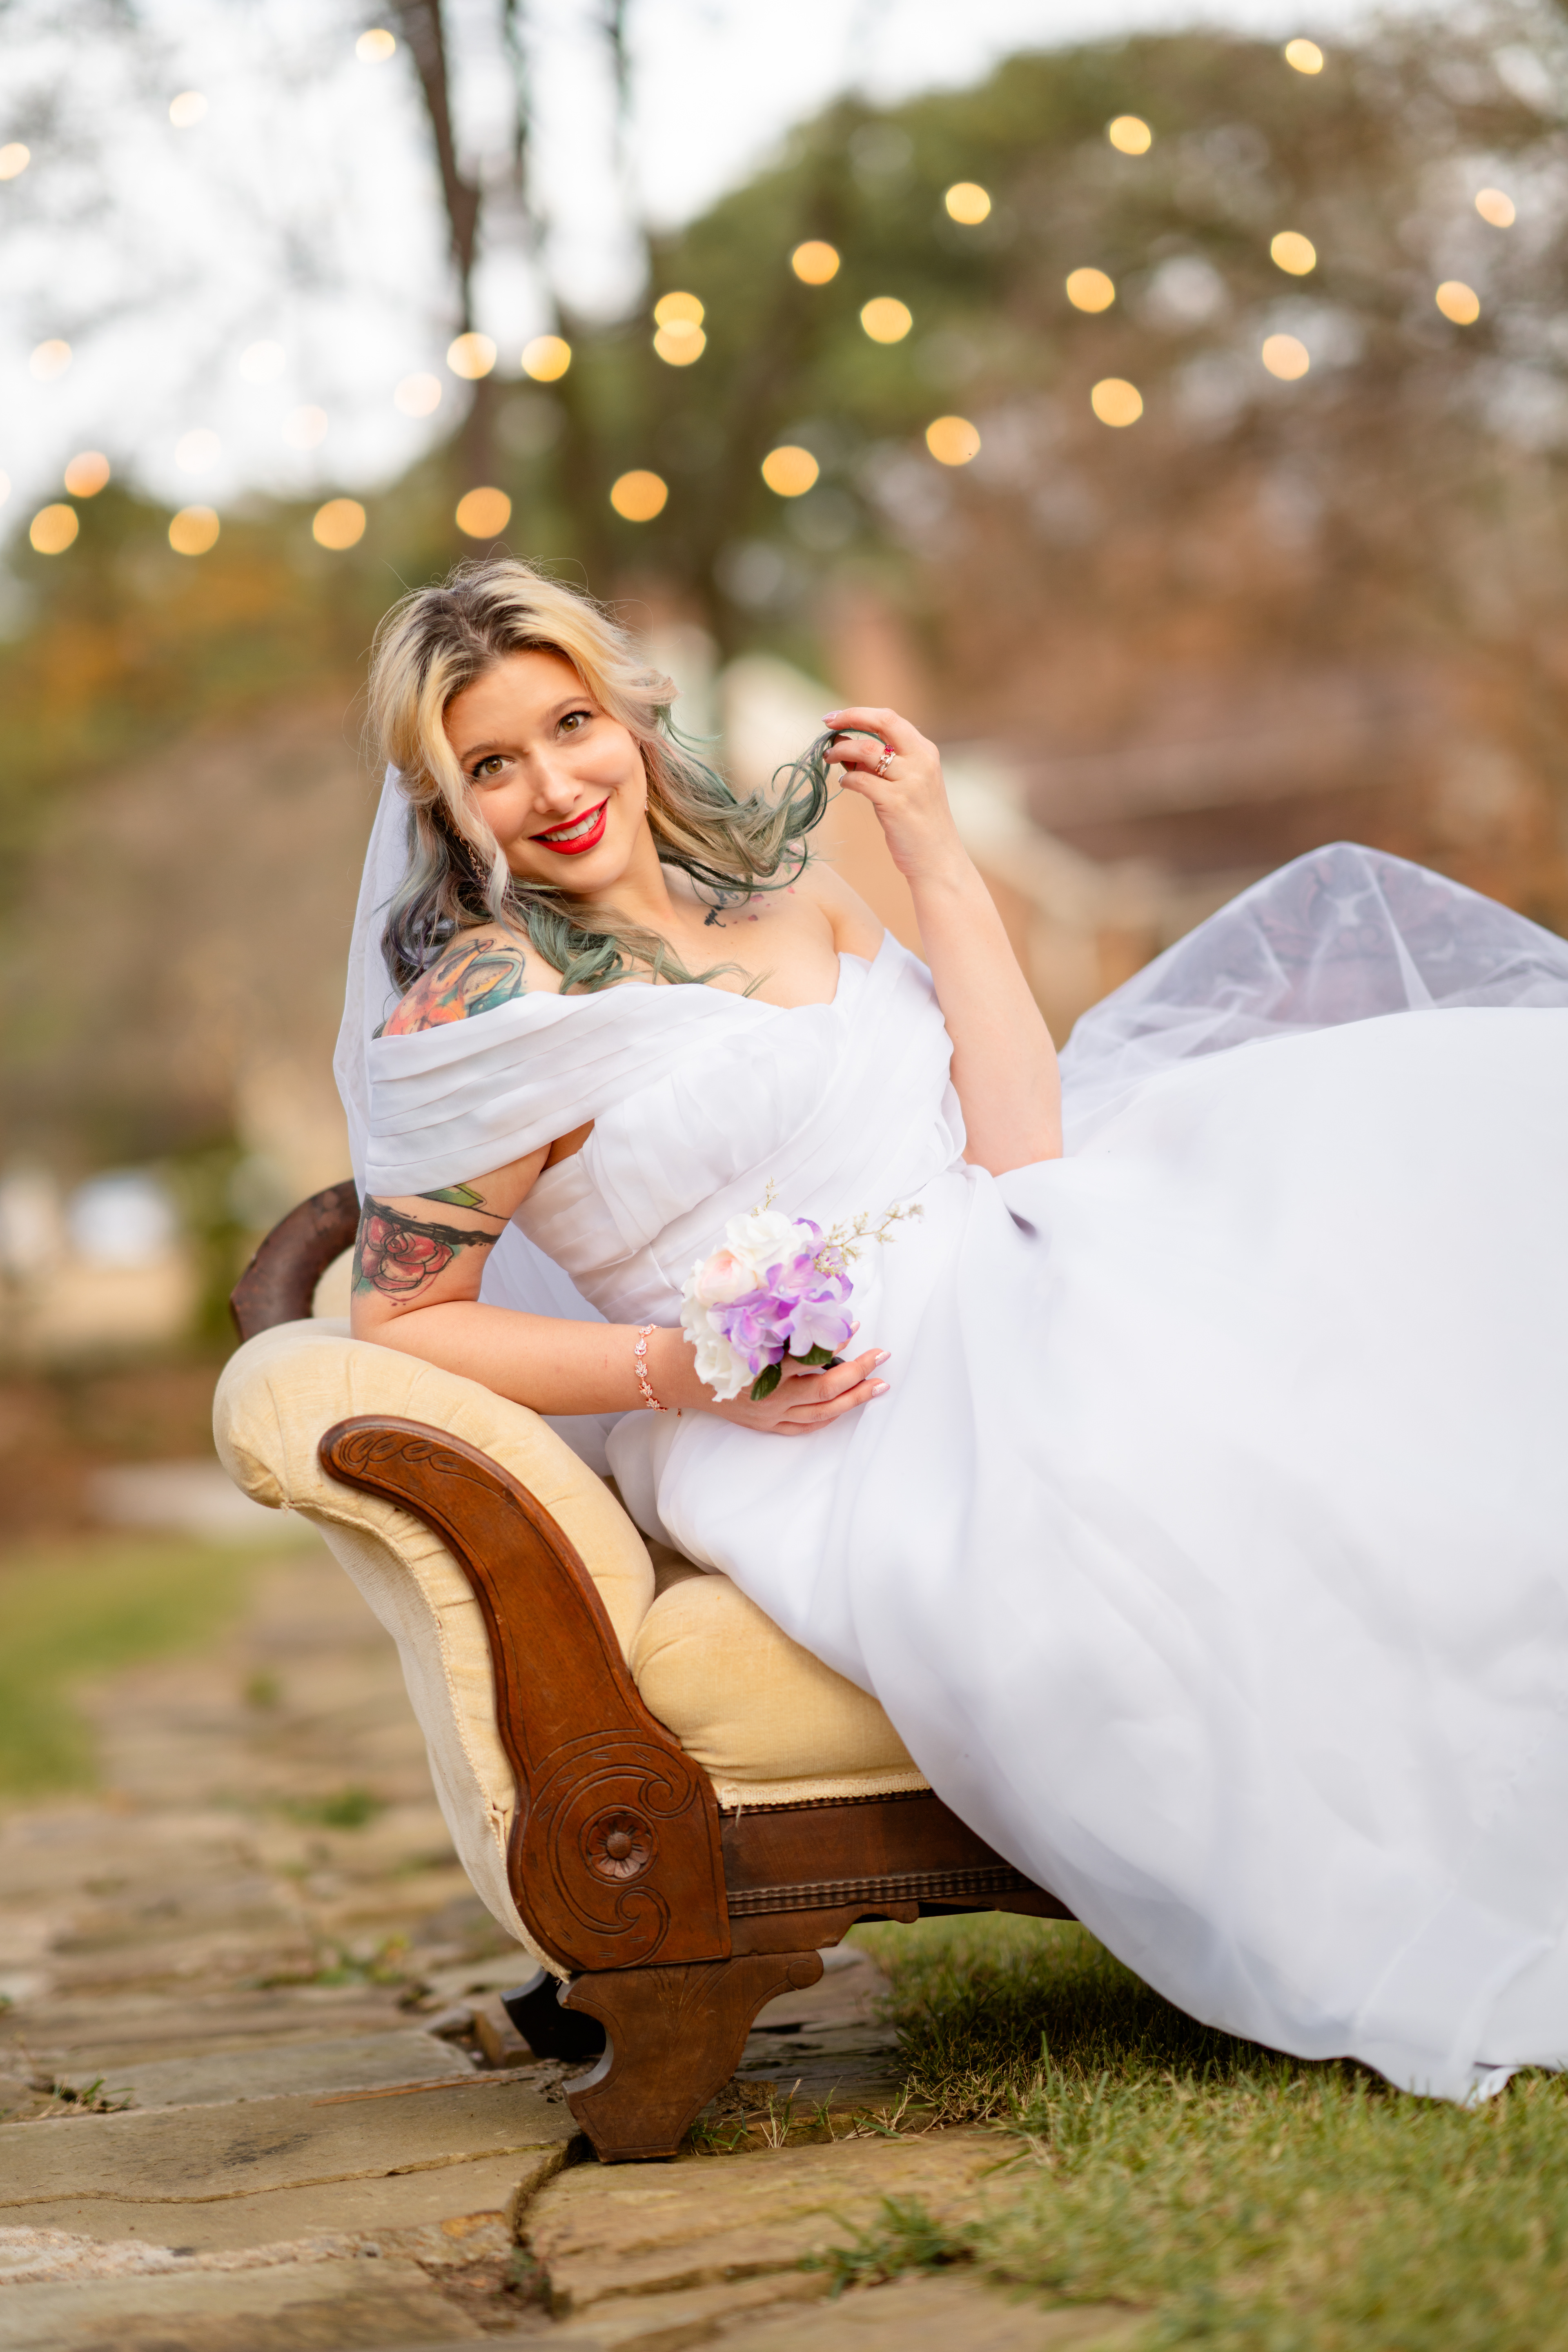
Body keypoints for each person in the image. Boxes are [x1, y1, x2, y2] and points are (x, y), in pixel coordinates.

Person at [336, 556, 1568, 2103]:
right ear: (445, 805)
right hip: (807, 1402)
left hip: (1014, 1249)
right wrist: (688, 1374)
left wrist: (936, 859)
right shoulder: (475, 1016)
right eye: (490, 765)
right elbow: (405, 1322)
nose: (553, 785)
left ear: (629, 718)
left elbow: (1020, 1137)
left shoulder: (788, 892)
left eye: (570, 724)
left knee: (1389, 1263)